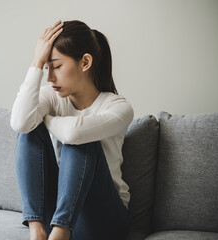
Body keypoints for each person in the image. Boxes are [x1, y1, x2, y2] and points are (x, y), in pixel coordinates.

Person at [10, 19, 134, 240]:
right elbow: (20, 123)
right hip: (58, 211)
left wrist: (45, 119)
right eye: (46, 68)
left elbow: (74, 134)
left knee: (81, 139)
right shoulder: (52, 96)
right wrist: (36, 62)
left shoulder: (119, 107)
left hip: (104, 220)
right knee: (29, 129)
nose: (49, 78)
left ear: (85, 62)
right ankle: (37, 230)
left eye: (56, 66)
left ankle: (59, 234)